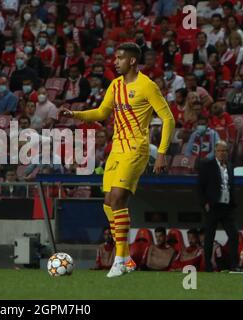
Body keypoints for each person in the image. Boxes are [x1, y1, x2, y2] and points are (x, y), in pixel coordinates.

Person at [59, 43, 175, 277]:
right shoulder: (115, 85)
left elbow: (168, 118)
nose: (115, 62)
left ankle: (120, 259)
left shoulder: (147, 86)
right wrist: (76, 114)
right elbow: (102, 113)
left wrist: (161, 152)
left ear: (132, 61)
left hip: (136, 148)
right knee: (108, 202)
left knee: (119, 197)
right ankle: (127, 258)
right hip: (116, 149)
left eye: (120, 58)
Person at [197, 140, 242, 272]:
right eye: (220, 150)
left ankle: (234, 265)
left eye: (225, 151)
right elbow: (200, 187)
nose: (223, 153)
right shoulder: (207, 165)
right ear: (215, 152)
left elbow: (231, 186)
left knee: (234, 234)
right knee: (209, 238)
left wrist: (233, 203)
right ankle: (208, 267)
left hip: (227, 207)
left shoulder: (230, 166)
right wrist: (204, 203)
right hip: (213, 207)